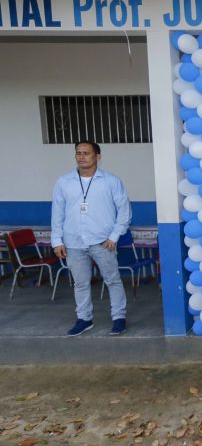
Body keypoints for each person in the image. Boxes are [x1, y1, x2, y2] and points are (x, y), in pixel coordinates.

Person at [51, 141, 131, 336]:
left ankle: (119, 318)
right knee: (80, 283)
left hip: (103, 241)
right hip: (73, 242)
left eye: (86, 153)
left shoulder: (111, 181)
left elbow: (124, 211)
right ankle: (84, 319)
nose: (81, 156)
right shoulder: (64, 182)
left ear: (98, 156)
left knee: (112, 280)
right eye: (78, 153)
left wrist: (114, 236)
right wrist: (57, 240)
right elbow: (57, 213)